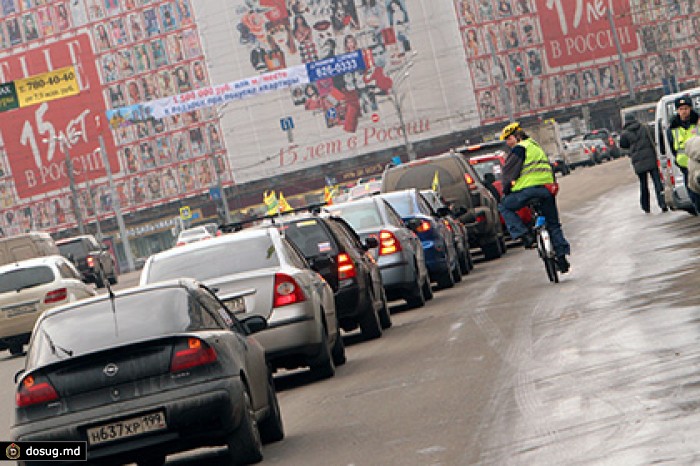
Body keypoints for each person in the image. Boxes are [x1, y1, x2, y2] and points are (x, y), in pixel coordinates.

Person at [497, 122, 571, 273]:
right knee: (553, 224)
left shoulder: (519, 149)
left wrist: (506, 190)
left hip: (527, 192)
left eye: (509, 138)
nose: (508, 142)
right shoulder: (536, 147)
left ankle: (525, 236)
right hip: (545, 191)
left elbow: (508, 174)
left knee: (504, 206)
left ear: (517, 136)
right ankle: (562, 258)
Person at [619, 114, 668, 213]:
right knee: (657, 182)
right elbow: (655, 138)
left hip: (638, 162)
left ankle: (646, 207)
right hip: (651, 158)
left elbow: (623, 146)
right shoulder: (645, 128)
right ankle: (663, 203)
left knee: (643, 184)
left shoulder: (625, 134)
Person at [667, 95, 700, 213]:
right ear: (677, 111)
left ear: (690, 108)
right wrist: (678, 160)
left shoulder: (697, 122)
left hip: (698, 164)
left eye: (686, 108)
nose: (684, 112)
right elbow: (672, 147)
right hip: (686, 167)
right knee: (694, 196)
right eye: (681, 109)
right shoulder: (672, 128)